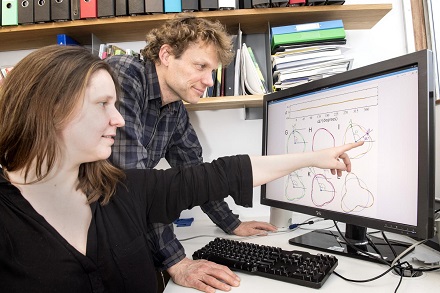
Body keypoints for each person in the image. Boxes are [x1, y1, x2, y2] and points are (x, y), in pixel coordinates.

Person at [0, 45, 363, 293]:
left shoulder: (123, 188)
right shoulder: (129, 73)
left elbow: (211, 174)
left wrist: (312, 158)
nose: (118, 119)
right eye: (103, 104)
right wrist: (177, 262)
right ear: (49, 109)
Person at [105, 14, 279, 292]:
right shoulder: (125, 75)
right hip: (80, 224)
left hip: (121, 219)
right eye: (200, 66)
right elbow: (133, 185)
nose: (209, 81)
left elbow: (194, 173)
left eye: (212, 71)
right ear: (166, 54)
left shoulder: (174, 109)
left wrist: (232, 223)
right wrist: (178, 262)